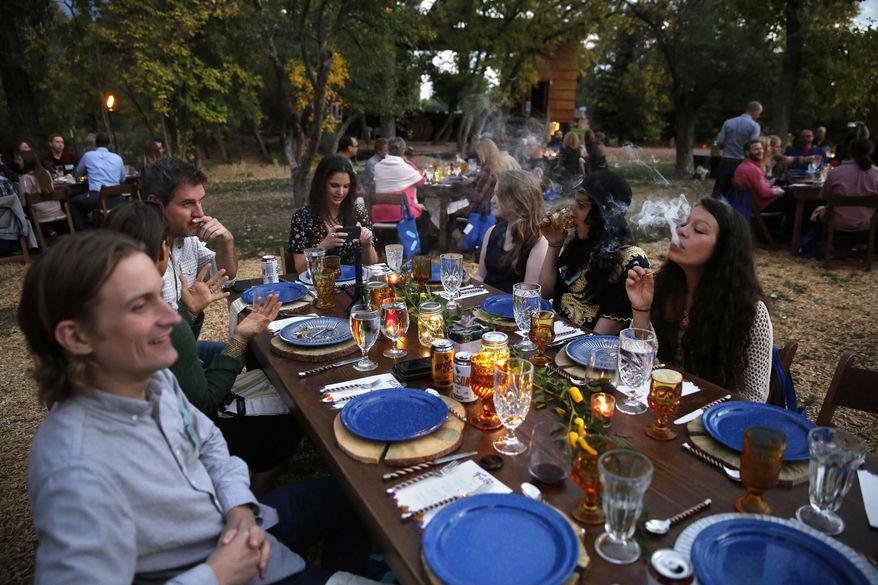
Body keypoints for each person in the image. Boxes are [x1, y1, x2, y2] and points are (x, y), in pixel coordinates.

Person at [18, 231, 376, 585]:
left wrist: (239, 507)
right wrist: (218, 574)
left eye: (158, 296)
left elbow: (208, 443)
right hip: (231, 570)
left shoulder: (152, 380)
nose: (172, 318)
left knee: (362, 496)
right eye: (140, 306)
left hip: (245, 525)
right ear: (77, 337)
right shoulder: (74, 468)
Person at [103, 201, 298, 494]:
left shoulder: (107, 309)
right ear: (163, 251)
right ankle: (257, 498)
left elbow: (179, 356)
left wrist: (190, 313)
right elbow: (205, 403)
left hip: (141, 432)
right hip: (181, 438)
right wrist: (239, 340)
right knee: (288, 415)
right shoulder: (160, 320)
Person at [625, 198, 773, 402]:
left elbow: (754, 398)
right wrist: (641, 309)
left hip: (713, 417)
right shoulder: (662, 288)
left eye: (699, 230)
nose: (681, 231)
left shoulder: (750, 311)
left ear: (723, 249)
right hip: (660, 404)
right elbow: (637, 367)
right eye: (684, 224)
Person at [538, 171, 648, 334]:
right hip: (557, 337)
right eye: (575, 204)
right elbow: (544, 293)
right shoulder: (580, 245)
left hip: (591, 347)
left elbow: (599, 337)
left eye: (581, 206)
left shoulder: (629, 260)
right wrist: (554, 245)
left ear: (603, 212)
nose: (572, 212)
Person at [143, 157, 238, 309]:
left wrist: (226, 241)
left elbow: (224, 277)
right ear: (155, 203)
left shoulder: (187, 240)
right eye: (187, 203)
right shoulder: (137, 255)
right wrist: (191, 314)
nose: (200, 213)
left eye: (200, 202)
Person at [287, 155, 377, 274]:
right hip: (319, 282)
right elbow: (300, 268)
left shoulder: (359, 213)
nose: (340, 192)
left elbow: (371, 263)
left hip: (354, 281)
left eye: (346, 186)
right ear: (321, 183)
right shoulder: (303, 217)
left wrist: (366, 245)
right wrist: (323, 246)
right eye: (334, 185)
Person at [475, 170, 548, 292]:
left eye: (498, 195)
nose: (492, 200)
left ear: (517, 200)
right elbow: (480, 277)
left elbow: (529, 292)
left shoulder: (537, 240)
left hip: (513, 303)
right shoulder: (492, 232)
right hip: (484, 301)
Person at [817, 138, 878, 231]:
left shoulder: (835, 172)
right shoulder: (875, 173)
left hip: (837, 221)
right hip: (868, 222)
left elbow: (824, 196)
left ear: (850, 152)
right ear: (871, 152)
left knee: (818, 211)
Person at [71, 132, 127, 229]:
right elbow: (122, 179)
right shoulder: (118, 158)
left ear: (96, 144)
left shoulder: (88, 156)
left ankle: (85, 231)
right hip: (118, 199)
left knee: (74, 202)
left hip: (98, 199)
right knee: (84, 200)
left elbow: (77, 174)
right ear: (109, 145)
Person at [712, 101, 763, 198]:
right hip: (743, 165)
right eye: (759, 113)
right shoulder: (754, 126)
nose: (759, 116)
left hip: (726, 162)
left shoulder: (728, 122)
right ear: (755, 111)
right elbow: (753, 146)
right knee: (737, 196)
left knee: (718, 193)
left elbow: (720, 142)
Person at [16, 151, 69, 235]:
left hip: (40, 215)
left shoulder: (24, 178)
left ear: (27, 161)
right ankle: (52, 230)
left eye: (20, 160)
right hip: (57, 210)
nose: (18, 162)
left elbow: (24, 203)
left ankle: (45, 232)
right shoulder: (46, 173)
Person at [733, 139, 785, 212]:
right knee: (791, 198)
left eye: (761, 148)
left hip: (750, 204)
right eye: (756, 149)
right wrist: (779, 191)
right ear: (747, 153)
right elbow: (765, 194)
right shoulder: (752, 169)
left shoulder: (744, 165)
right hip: (761, 206)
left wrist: (768, 185)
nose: (760, 151)